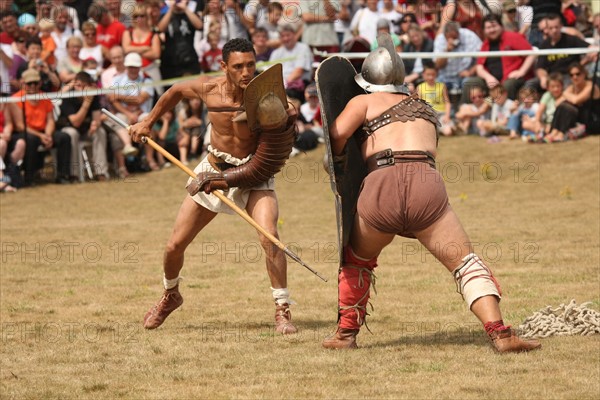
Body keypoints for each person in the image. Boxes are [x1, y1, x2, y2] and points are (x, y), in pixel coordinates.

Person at [321, 34, 541, 352]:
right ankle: (501, 334)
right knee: (466, 263)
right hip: (427, 183)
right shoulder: (423, 106)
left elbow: (336, 138)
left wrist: (340, 164)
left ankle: (345, 335)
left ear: (366, 81)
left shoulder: (363, 101)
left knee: (357, 260)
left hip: (382, 182)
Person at [128, 38, 299, 333]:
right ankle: (171, 295)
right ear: (224, 67)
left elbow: (289, 108)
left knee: (270, 236)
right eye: (238, 67)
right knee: (174, 245)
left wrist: (287, 112)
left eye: (250, 64)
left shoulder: (265, 96)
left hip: (253, 174)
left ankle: (282, 309)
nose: (246, 72)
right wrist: (148, 121)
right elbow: (176, 91)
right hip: (213, 170)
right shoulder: (210, 89)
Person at [475, 14, 536, 101]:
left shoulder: (513, 37)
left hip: (512, 79)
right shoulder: (485, 44)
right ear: (484, 30)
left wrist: (521, 71)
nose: (491, 30)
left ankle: (504, 112)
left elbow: (531, 54)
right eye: (488, 28)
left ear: (501, 26)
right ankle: (465, 110)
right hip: (492, 82)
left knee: (508, 85)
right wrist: (488, 77)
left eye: (494, 26)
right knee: (472, 83)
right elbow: (479, 67)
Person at [544, 63, 600, 142]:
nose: (575, 77)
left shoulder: (591, 86)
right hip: (581, 121)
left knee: (568, 107)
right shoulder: (572, 88)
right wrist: (567, 95)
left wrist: (565, 94)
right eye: (571, 75)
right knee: (564, 106)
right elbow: (557, 104)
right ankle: (554, 132)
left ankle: (561, 134)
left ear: (584, 74)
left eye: (578, 74)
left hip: (593, 122)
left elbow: (576, 100)